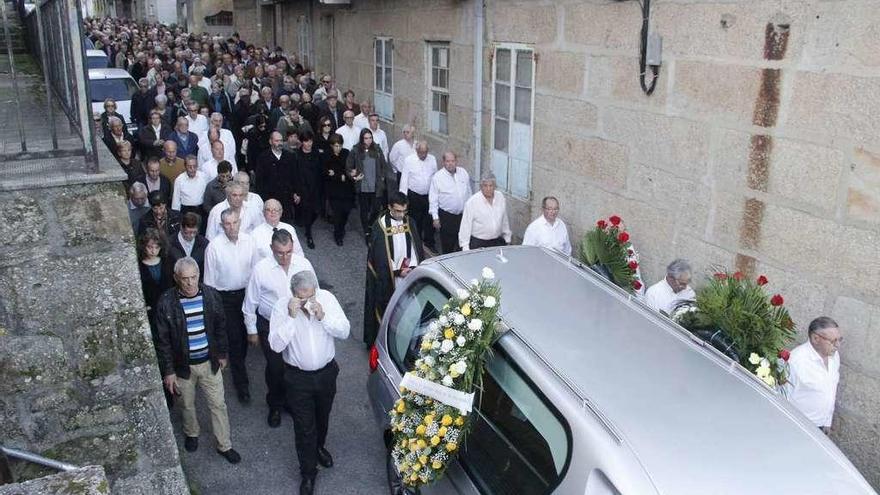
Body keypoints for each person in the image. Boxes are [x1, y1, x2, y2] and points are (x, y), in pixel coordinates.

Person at [268, 270, 349, 495]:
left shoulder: (327, 300)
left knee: (322, 418)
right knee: (304, 427)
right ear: (294, 294)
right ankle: (308, 473)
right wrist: (291, 318)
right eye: (303, 298)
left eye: (311, 296)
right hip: (297, 378)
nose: (308, 302)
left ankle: (319, 447)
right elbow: (275, 345)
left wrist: (324, 317)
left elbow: (344, 331)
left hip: (326, 373)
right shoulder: (281, 308)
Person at [155, 257, 241, 464]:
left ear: (199, 275)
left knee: (218, 404)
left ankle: (224, 444)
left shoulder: (211, 296)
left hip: (208, 362)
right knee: (186, 404)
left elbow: (220, 326)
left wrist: (221, 354)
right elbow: (162, 340)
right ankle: (191, 433)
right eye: (185, 279)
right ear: (176, 278)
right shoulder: (166, 302)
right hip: (183, 366)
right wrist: (168, 371)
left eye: (194, 277)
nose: (190, 283)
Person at [244, 230, 315, 426]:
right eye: (279, 253)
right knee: (276, 368)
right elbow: (250, 302)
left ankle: (291, 402)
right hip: (270, 325)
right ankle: (275, 404)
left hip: (297, 322)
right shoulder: (261, 269)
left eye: (288, 252)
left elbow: (314, 292)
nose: (284, 257)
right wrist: (252, 330)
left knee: (294, 365)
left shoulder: (303, 264)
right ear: (271, 249)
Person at [203, 208, 259, 403]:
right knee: (235, 339)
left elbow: (256, 270)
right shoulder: (214, 247)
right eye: (227, 224)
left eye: (235, 222)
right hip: (225, 298)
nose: (232, 227)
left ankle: (238, 363)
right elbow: (209, 281)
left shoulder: (249, 241)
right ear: (221, 225)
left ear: (240, 221)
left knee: (245, 337)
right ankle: (241, 384)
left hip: (246, 294)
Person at [363, 192, 423, 347]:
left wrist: (413, 267)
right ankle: (386, 343)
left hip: (409, 273)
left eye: (404, 211)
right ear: (389, 207)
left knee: (410, 310)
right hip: (390, 278)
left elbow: (417, 249)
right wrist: (396, 272)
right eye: (397, 211)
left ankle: (407, 341)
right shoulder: (380, 226)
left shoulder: (410, 222)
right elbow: (380, 257)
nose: (401, 215)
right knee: (390, 311)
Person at [787, 317, 842, 435]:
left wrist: (827, 421)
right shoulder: (796, 361)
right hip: (798, 427)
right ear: (815, 338)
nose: (838, 345)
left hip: (820, 426)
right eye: (833, 341)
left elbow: (831, 389)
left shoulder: (834, 356)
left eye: (840, 339)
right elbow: (783, 397)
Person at [345, 128, 391, 238]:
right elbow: (348, 167)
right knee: (364, 210)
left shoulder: (377, 149)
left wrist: (383, 177)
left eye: (370, 138)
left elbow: (384, 165)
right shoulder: (355, 150)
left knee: (376, 208)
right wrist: (353, 175)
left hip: (376, 185)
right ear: (362, 139)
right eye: (366, 138)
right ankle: (366, 230)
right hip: (363, 186)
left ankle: (370, 224)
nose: (368, 140)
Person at [428, 151, 471, 254]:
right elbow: (433, 199)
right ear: (443, 162)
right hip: (447, 217)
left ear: (456, 161)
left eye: (453, 161)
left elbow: (469, 192)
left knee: (462, 244)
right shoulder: (438, 177)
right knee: (448, 245)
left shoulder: (463, 173)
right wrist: (435, 218)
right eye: (448, 161)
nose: (450, 163)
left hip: (463, 216)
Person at [399, 141, 437, 251]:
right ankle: (416, 241)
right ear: (416, 151)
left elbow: (435, 177)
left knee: (429, 220)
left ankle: (430, 242)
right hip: (414, 195)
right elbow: (404, 179)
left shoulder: (432, 159)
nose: (423, 155)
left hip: (429, 195)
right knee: (416, 220)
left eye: (425, 152)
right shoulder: (409, 160)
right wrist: (403, 198)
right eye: (421, 152)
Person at [458, 173, 511, 250]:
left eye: (491, 186)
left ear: (495, 186)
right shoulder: (472, 202)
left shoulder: (500, 197)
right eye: (485, 186)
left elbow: (504, 219)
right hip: (478, 243)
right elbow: (465, 226)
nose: (488, 189)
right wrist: (465, 247)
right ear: (481, 187)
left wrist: (507, 237)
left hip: (496, 242)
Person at [137, 228, 173, 338]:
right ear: (144, 246)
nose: (153, 251)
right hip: (151, 311)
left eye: (157, 247)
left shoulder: (167, 261)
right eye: (150, 247)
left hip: (169, 309)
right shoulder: (138, 266)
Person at [322, 134, 355, 246]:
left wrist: (337, 174)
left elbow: (349, 168)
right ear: (331, 146)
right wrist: (338, 175)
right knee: (337, 213)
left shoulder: (346, 153)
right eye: (336, 146)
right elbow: (325, 172)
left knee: (346, 211)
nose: (338, 148)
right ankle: (338, 234)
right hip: (334, 190)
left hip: (347, 189)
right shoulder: (327, 155)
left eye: (340, 145)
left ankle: (342, 228)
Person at [293, 131, 323, 249]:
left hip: (316, 188)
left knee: (316, 211)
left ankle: (307, 226)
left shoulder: (316, 153)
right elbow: (295, 175)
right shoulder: (297, 156)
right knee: (307, 211)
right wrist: (296, 192)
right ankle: (309, 235)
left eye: (310, 141)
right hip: (303, 188)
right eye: (306, 141)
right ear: (302, 142)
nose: (308, 143)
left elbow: (320, 171)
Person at [254, 131, 295, 213]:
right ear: (270, 141)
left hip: (286, 198)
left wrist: (295, 193)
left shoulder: (290, 156)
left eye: (281, 140)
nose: (279, 143)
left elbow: (294, 176)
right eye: (277, 141)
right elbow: (259, 181)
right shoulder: (263, 158)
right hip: (270, 199)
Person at [168, 212, 209, 282]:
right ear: (181, 228)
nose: (192, 235)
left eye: (195, 232)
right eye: (188, 232)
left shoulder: (204, 244)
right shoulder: (169, 243)